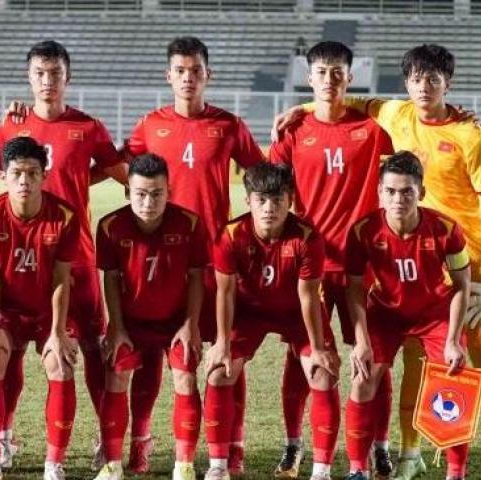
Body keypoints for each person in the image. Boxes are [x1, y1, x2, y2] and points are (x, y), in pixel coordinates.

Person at [274, 43, 481, 480]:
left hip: (436, 259)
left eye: (433, 79)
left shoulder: (456, 134)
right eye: (416, 79)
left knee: (461, 362)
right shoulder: (385, 116)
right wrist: (297, 107)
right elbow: (338, 101)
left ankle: (421, 456)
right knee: (325, 357)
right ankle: (325, 448)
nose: (424, 87)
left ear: (448, 83)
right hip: (341, 261)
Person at [121, 36, 265, 474]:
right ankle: (141, 442)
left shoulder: (229, 125)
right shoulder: (149, 126)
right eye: (180, 70)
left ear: (208, 74)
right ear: (169, 76)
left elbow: (263, 178)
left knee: (225, 359)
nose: (188, 78)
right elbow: (116, 166)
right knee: (150, 356)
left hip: (215, 263)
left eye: (196, 70)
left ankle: (232, 447)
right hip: (161, 262)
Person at [0, 39, 126, 469]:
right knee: (11, 350)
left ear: (68, 77)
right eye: (40, 73)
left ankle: (106, 439)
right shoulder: (14, 125)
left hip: (75, 256)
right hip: (22, 258)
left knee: (91, 349)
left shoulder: (88, 127)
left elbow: (120, 173)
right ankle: (3, 436)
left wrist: (81, 178)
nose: (48, 81)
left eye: (55, 73)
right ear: (29, 77)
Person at [268, 41, 395, 479]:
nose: (329, 79)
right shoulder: (292, 131)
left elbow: (394, 189)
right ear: (309, 78)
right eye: (321, 72)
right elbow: (274, 196)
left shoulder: (374, 131)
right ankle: (292, 444)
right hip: (311, 266)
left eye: (337, 71)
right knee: (301, 356)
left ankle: (380, 445)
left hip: (365, 266)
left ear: (350, 76)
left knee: (374, 358)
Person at [203, 161, 340, 480]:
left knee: (322, 373)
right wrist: (222, 343)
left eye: (277, 200)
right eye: (261, 200)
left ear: (289, 200)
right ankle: (218, 466)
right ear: (248, 200)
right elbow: (224, 293)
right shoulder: (230, 235)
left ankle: (322, 470)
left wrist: (318, 348)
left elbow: (308, 296)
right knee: (218, 373)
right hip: (249, 312)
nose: (269, 208)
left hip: (296, 312)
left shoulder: (307, 238)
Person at [342, 151, 470, 480]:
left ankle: (456, 472)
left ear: (421, 193)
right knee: (362, 380)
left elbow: (461, 285)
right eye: (391, 191)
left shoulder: (446, 228)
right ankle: (358, 469)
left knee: (453, 384)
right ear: (379, 194)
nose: (398, 199)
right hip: (385, 313)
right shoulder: (362, 232)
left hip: (435, 313)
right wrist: (360, 341)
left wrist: (454, 340)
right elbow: (354, 288)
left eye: (407, 192)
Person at [0, 136, 80, 480]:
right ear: (2, 175)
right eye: (17, 173)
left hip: (49, 309)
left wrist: (59, 332)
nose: (25, 181)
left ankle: (54, 464)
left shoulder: (63, 216)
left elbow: (62, 280)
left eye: (33, 173)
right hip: (6, 307)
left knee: (61, 366)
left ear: (44, 176)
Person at [93, 153, 207, 480]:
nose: (148, 201)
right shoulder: (111, 226)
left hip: (175, 322)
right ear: (127, 193)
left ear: (169, 191)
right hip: (131, 323)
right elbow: (111, 279)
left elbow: (197, 277)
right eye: (140, 194)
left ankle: (183, 464)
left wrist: (190, 325)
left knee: (185, 374)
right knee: (116, 376)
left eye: (157, 193)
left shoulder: (189, 224)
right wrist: (115, 327)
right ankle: (112, 464)